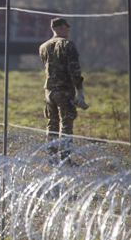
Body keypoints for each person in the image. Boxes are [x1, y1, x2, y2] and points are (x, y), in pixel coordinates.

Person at [39, 17, 87, 165]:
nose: (68, 30)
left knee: (52, 123)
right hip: (64, 90)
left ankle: (51, 156)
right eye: (66, 27)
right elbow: (74, 69)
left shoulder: (43, 47)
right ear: (59, 28)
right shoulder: (68, 45)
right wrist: (79, 90)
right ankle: (65, 158)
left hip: (49, 90)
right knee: (66, 123)